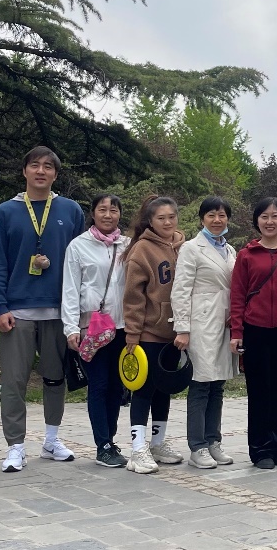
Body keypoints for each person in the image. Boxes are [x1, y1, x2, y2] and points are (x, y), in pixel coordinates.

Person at [0, 146, 86, 473]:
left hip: (59, 311)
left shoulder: (70, 210)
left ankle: (51, 440)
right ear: (25, 171)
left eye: (48, 166)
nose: (41, 171)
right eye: (35, 165)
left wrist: (79, 312)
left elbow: (82, 261)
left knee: (56, 378)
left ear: (55, 174)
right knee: (14, 382)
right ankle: (15, 446)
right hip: (18, 311)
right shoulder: (6, 212)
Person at [230, 197, 277, 469]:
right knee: (259, 391)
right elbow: (237, 295)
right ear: (257, 221)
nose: (270, 221)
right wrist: (236, 330)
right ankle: (260, 450)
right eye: (264, 216)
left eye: (275, 216)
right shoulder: (246, 255)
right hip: (255, 329)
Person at [61, 193, 130, 468]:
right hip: (92, 328)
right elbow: (70, 289)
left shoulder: (128, 245)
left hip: (123, 327)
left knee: (116, 386)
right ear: (93, 213)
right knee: (99, 385)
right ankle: (102, 445)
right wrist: (70, 328)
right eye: (102, 209)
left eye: (114, 210)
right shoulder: (79, 246)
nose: (108, 215)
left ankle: (110, 440)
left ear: (120, 214)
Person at [121, 195, 188, 474]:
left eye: (171, 217)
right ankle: (138, 449)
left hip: (175, 334)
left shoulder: (184, 246)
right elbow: (133, 297)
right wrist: (132, 334)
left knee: (164, 389)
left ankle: (158, 443)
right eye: (161, 218)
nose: (168, 222)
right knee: (144, 391)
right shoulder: (142, 250)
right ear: (150, 221)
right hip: (149, 333)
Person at [173, 196, 238, 469]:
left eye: (222, 215)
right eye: (211, 215)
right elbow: (180, 289)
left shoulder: (230, 250)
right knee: (200, 384)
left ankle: (213, 441)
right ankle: (197, 446)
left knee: (218, 385)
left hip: (224, 322)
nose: (217, 220)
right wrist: (182, 328)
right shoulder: (191, 248)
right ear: (202, 219)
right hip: (200, 323)